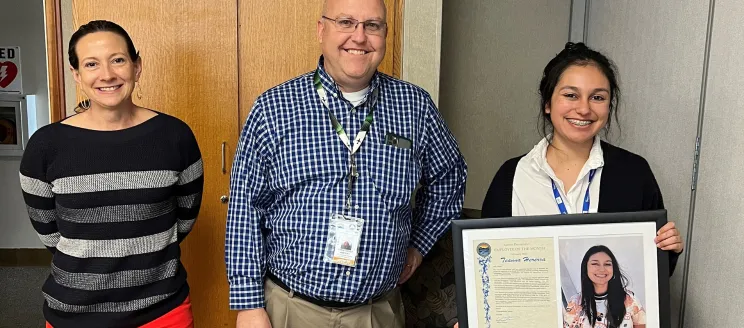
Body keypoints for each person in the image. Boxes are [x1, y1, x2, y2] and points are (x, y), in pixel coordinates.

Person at [225, 0, 467, 327]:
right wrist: (249, 306)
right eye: (346, 22)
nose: (359, 36)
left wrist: (419, 245)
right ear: (321, 30)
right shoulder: (273, 108)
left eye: (372, 25)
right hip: (290, 309)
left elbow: (449, 179)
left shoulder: (415, 107)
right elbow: (246, 207)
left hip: (376, 312)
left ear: (384, 34)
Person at [19, 20, 203, 328]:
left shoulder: (175, 136)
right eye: (92, 64)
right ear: (77, 75)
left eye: (118, 60)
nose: (107, 75)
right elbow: (49, 233)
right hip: (73, 315)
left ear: (137, 66)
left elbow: (184, 220)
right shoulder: (45, 146)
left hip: (162, 312)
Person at [481, 42, 684, 267]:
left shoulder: (634, 173)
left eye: (597, 97)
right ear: (548, 103)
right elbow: (487, 264)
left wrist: (668, 249)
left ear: (609, 105)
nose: (584, 109)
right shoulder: (512, 176)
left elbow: (649, 272)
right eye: (571, 95)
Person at [563, 245, 646, 328]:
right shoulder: (575, 303)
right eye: (595, 263)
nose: (602, 269)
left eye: (607, 264)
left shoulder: (630, 299)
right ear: (586, 268)